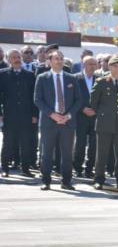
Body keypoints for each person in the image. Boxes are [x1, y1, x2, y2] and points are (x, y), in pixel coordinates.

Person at [33, 50, 82, 190]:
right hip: (49, 122)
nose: (59, 61)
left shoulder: (71, 78)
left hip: (68, 122)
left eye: (61, 58)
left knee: (67, 154)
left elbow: (78, 100)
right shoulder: (42, 78)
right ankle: (46, 181)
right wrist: (52, 114)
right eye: (56, 58)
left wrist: (68, 115)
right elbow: (37, 99)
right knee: (46, 153)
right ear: (50, 61)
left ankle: (66, 181)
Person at [89, 55, 118, 190]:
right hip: (104, 123)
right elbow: (93, 102)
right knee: (102, 154)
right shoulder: (101, 82)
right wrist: (104, 114)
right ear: (110, 66)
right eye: (116, 66)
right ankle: (99, 179)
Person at [0, 49, 37, 177]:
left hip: (26, 115)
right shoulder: (2, 74)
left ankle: (25, 168)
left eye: (18, 57)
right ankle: (5, 168)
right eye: (14, 57)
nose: (17, 59)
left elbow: (34, 96)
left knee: (26, 142)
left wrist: (34, 115)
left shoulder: (30, 75)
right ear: (9, 59)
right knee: (8, 142)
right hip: (9, 115)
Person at [73, 56, 98, 178]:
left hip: (95, 116)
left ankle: (89, 169)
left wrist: (95, 110)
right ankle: (77, 168)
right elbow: (71, 98)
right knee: (80, 144)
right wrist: (82, 108)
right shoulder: (75, 78)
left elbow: (103, 98)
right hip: (80, 116)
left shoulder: (100, 79)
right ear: (84, 65)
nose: (93, 66)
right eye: (90, 64)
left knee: (94, 144)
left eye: (95, 64)